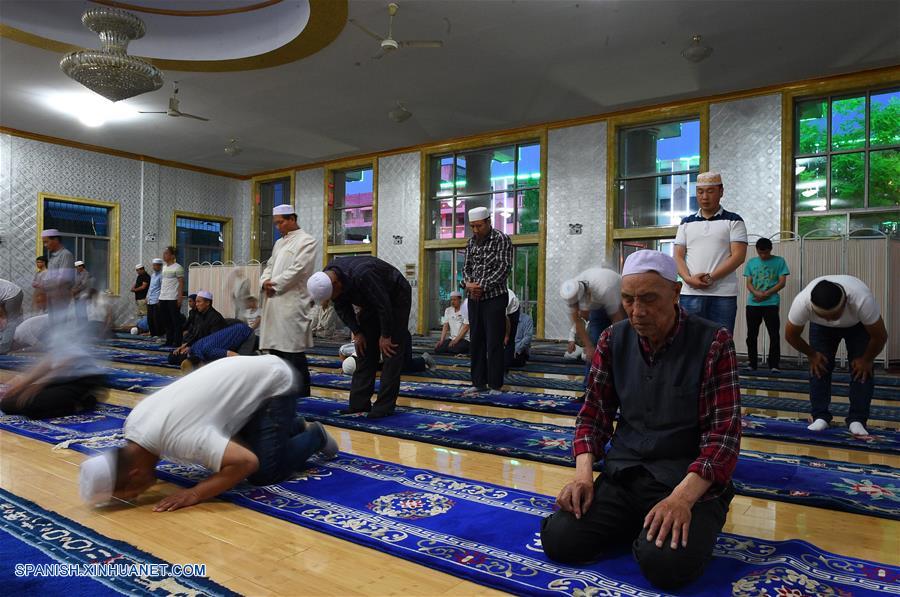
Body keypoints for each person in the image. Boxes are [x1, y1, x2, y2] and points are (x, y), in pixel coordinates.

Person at [540, 250, 740, 591]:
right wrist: (584, 479)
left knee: (666, 564)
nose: (637, 311)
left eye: (649, 299)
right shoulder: (612, 339)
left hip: (686, 480)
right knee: (561, 539)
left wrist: (681, 500)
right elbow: (593, 416)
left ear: (676, 293)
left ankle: (665, 526)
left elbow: (723, 437)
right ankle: (640, 524)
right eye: (628, 300)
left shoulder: (713, 342)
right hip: (626, 475)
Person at [78, 355, 338, 511]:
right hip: (249, 377)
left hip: (274, 383)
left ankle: (315, 435)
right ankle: (289, 426)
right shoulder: (133, 424)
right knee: (239, 450)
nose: (139, 495)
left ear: (134, 475)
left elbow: (247, 463)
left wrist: (195, 493)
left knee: (262, 472)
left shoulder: (180, 441)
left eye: (133, 494)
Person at [307, 256, 411, 418]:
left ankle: (384, 406)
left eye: (332, 295)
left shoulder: (363, 274)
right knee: (364, 349)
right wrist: (357, 332)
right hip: (371, 300)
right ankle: (358, 404)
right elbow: (341, 306)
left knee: (391, 351)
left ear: (336, 284)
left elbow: (384, 305)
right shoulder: (328, 276)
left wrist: (386, 335)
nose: (333, 299)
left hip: (395, 296)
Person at [785, 276, 888, 437]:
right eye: (823, 315)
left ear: (846, 301)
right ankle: (820, 416)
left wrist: (867, 359)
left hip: (857, 325)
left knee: (862, 370)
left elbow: (880, 336)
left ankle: (858, 419)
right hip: (821, 330)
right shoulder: (802, 302)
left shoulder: (862, 299)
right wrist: (811, 354)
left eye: (833, 316)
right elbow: (791, 335)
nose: (828, 319)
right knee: (819, 366)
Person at [673, 171, 748, 334]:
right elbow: (678, 255)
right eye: (700, 192)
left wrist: (710, 277)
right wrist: (688, 279)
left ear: (721, 192)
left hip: (723, 294)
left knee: (721, 340)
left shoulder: (734, 220)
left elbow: (738, 256)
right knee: (689, 341)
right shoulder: (686, 222)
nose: (705, 196)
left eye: (710, 191)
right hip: (690, 292)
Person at [259, 204, 317, 390]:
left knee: (292, 350)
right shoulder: (279, 243)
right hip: (274, 302)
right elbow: (269, 265)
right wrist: (264, 282)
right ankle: (281, 389)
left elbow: (299, 270)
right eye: (276, 223)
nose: (278, 227)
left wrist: (274, 284)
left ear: (292, 219)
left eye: (280, 222)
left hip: (292, 303)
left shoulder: (307, 241)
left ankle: (301, 392)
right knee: (276, 350)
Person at [461, 206, 512, 396]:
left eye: (479, 226)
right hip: (474, 300)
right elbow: (466, 268)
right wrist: (468, 284)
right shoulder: (470, 243)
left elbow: (503, 269)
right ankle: (478, 382)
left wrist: (479, 286)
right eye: (472, 227)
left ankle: (495, 384)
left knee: (494, 342)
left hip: (494, 298)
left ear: (488, 222)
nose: (475, 230)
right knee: (476, 341)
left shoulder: (501, 239)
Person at [1, 330, 105, 419]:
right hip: (60, 378)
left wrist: (39, 385)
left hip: (81, 379)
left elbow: (70, 360)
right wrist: (22, 385)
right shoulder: (53, 329)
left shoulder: (68, 323)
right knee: (8, 403)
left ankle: (81, 401)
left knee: (31, 406)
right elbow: (48, 362)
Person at [560, 267, 624, 367]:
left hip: (619, 300)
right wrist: (589, 346)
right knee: (594, 349)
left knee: (619, 347)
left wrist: (619, 345)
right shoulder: (572, 290)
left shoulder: (605, 288)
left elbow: (618, 321)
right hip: (598, 306)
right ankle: (590, 381)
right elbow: (577, 322)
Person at [743, 238, 789, 371]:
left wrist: (765, 294)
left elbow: (782, 282)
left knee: (774, 334)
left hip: (771, 303)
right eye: (760, 253)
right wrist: (757, 293)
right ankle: (752, 363)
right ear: (757, 250)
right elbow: (749, 283)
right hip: (753, 304)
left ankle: (774, 364)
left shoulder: (779, 261)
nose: (763, 255)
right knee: (751, 335)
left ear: (770, 250)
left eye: (766, 253)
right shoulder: (751, 262)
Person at [168, 291, 226, 367]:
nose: (196, 304)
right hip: (197, 346)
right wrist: (185, 346)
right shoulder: (199, 315)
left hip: (208, 349)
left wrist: (192, 348)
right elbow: (196, 335)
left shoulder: (215, 318)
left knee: (180, 357)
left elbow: (212, 341)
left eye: (199, 302)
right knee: (173, 356)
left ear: (208, 303)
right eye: (196, 302)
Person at [40, 229, 75, 324]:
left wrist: (48, 285)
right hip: (52, 295)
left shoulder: (66, 255)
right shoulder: (53, 257)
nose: (45, 245)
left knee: (60, 324)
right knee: (52, 323)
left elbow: (63, 279)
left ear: (55, 240)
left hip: (60, 295)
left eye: (46, 242)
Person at [158, 247, 185, 348]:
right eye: (164, 253)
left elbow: (181, 283)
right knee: (166, 320)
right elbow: (164, 283)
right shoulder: (164, 267)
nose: (164, 255)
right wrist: (159, 296)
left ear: (173, 256)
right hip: (163, 297)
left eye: (166, 253)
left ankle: (177, 341)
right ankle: (169, 340)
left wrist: (180, 297)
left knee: (175, 321)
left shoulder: (178, 267)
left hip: (173, 298)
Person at [0, 279, 24, 355]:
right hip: (7, 293)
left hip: (12, 295)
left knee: (10, 322)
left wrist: (3, 317)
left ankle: (3, 348)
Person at [146, 258, 164, 338]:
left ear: (160, 266)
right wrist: (147, 296)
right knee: (150, 318)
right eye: (153, 265)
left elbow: (162, 288)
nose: (154, 267)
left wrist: (160, 299)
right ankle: (152, 333)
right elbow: (150, 287)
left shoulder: (162, 275)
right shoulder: (153, 275)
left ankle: (158, 334)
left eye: (156, 265)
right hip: (150, 299)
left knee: (156, 318)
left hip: (157, 300)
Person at [504, 288, 521, 371]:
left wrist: (506, 335)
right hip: (505, 311)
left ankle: (506, 364)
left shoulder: (505, 299)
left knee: (509, 340)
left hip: (512, 311)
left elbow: (506, 320)